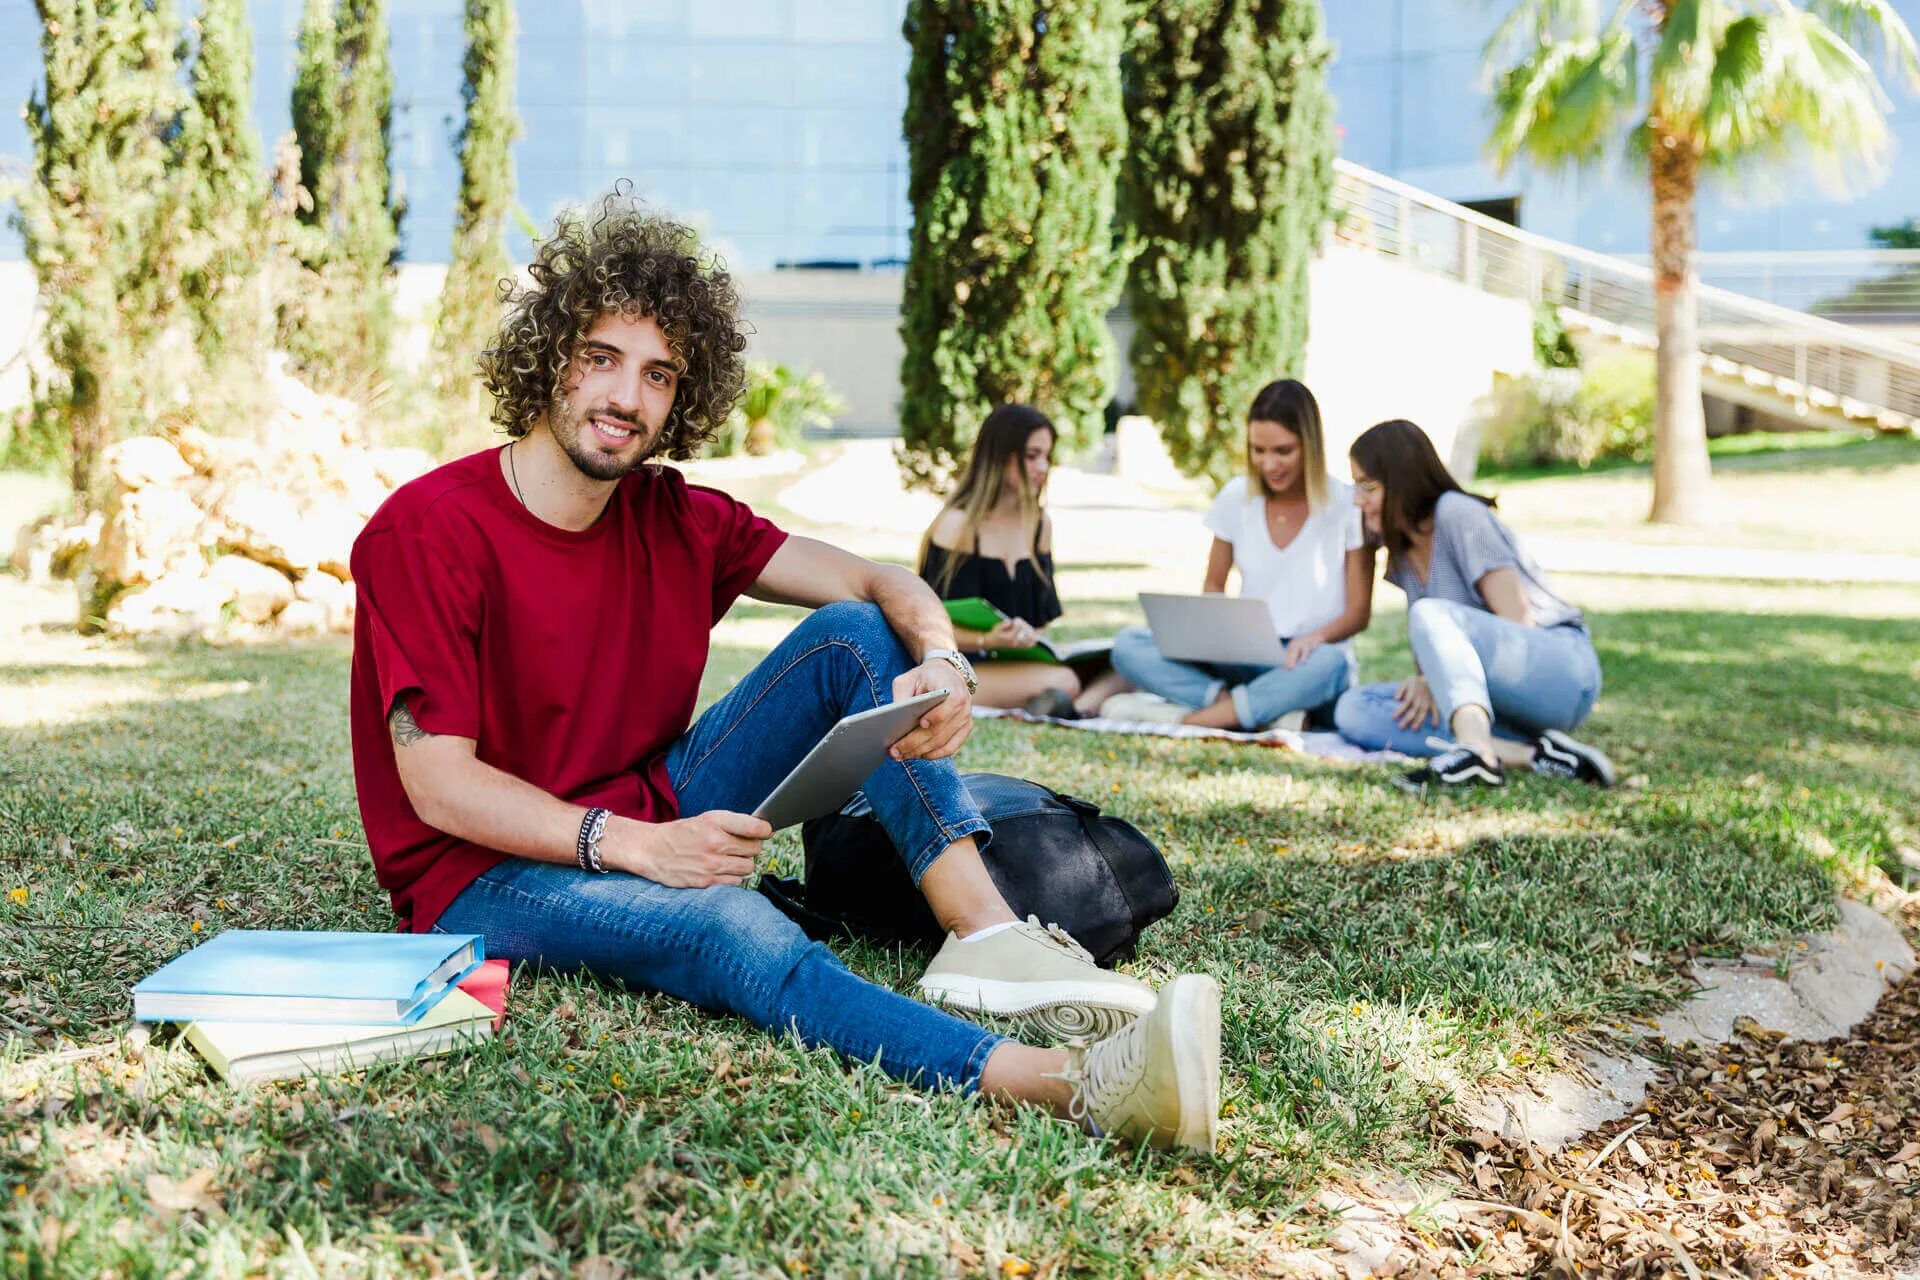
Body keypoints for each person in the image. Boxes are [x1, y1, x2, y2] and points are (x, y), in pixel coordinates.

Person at [347, 193, 1221, 1152]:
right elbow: (435, 785)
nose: (626, 399)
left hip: (649, 798)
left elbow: (877, 581)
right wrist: (641, 849)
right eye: (601, 358)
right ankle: (1074, 1086)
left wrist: (940, 660)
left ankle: (984, 935)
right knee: (728, 926)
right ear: (549, 356)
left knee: (856, 632)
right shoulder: (428, 530)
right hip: (481, 872)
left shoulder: (674, 516)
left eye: (659, 374)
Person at [1330, 419, 1616, 791]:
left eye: (1368, 486)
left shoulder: (1456, 513)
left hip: (1558, 670)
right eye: (1356, 486)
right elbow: (1435, 652)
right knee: (1356, 709)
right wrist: (1427, 680)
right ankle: (1530, 754)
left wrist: (1441, 678)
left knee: (1429, 612)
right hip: (1494, 696)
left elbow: (1518, 624)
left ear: (1403, 481)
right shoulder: (1402, 553)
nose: (1357, 499)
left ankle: (1476, 753)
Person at [1103, 379, 1373, 732]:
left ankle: (1197, 719)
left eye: (1283, 450)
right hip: (1243, 653)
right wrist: (1213, 633)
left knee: (1331, 666)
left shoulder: (1346, 504)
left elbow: (1358, 612)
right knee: (1127, 645)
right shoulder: (1237, 497)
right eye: (1258, 450)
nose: (1268, 463)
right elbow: (1214, 583)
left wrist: (1316, 638)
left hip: (1306, 658)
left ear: (1310, 444)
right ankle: (1249, 709)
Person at [917, 405, 1126, 718]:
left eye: (1047, 456)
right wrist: (988, 639)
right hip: (962, 667)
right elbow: (923, 625)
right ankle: (1072, 708)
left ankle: (1071, 709)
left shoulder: (1039, 526)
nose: (1042, 466)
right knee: (1065, 680)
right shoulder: (957, 526)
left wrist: (1029, 637)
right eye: (1031, 456)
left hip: (1022, 663)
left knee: (1125, 661)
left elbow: (1040, 621)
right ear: (999, 456)